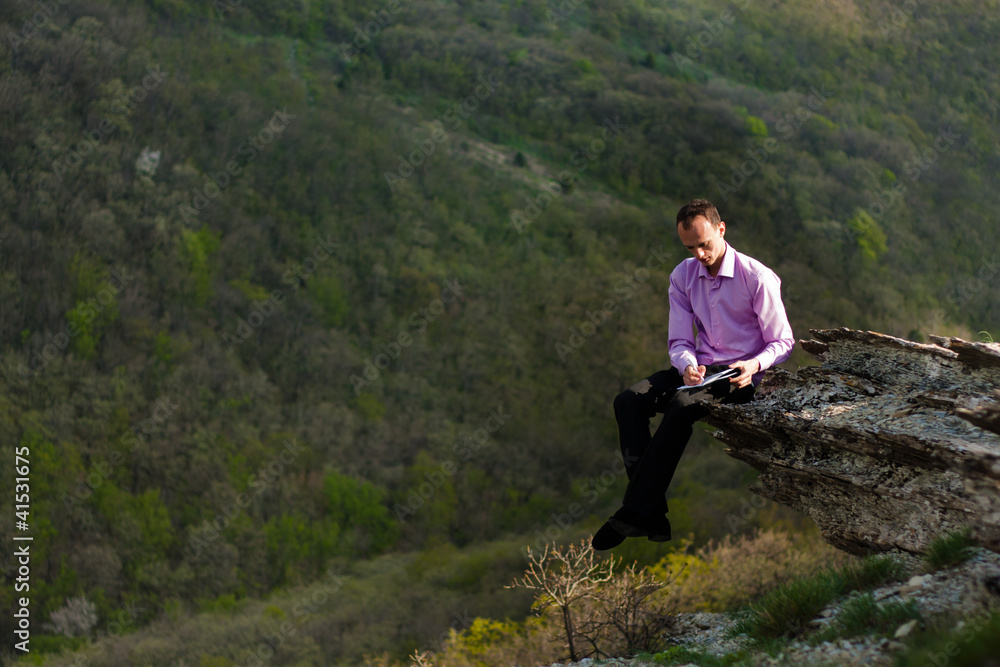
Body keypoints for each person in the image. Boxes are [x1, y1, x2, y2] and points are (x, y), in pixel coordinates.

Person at [591, 199, 794, 550]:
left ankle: (634, 512)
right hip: (700, 371)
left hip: (738, 375)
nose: (699, 254)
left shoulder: (756, 277)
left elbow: (783, 341)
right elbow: (680, 340)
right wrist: (686, 365)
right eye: (690, 247)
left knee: (683, 405)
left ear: (721, 229)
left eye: (704, 244)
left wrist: (754, 365)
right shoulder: (682, 275)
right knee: (628, 401)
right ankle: (652, 514)